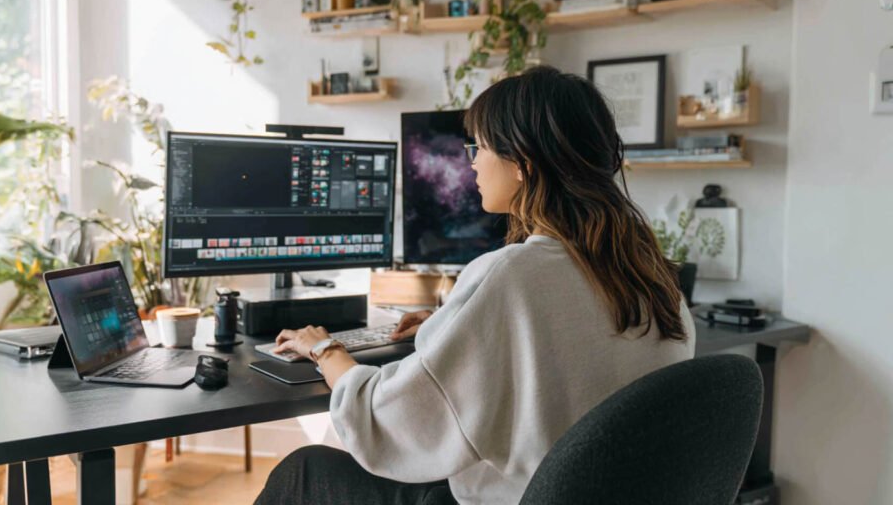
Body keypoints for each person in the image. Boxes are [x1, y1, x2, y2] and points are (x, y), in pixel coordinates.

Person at [255, 66, 695, 505]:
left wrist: (326, 351)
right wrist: (458, 325)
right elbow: (576, 345)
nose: (471, 161)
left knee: (305, 470)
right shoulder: (650, 275)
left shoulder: (512, 275)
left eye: (479, 147)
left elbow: (394, 422)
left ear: (522, 162)